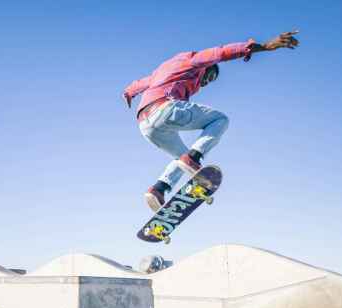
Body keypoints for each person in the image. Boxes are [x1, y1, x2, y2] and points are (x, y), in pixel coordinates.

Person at [123, 30, 300, 212]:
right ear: (205, 68)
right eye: (209, 77)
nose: (207, 83)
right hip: (165, 109)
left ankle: (159, 189)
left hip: (145, 124)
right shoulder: (193, 60)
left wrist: (128, 92)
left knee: (180, 157)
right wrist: (261, 47)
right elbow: (220, 53)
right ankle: (194, 157)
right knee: (220, 120)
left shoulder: (162, 70)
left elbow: (142, 83)